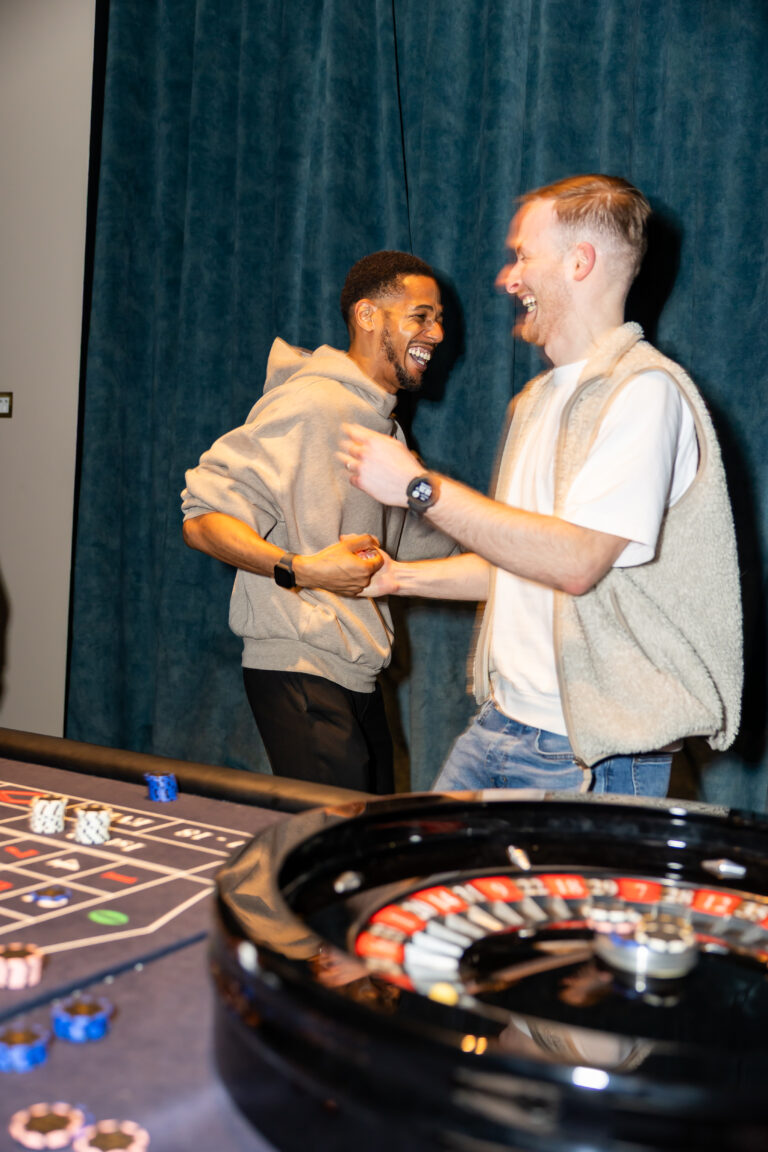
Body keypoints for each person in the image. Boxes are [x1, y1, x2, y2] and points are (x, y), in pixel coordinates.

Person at [339, 175, 742, 798]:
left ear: (580, 262)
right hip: (502, 724)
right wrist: (398, 578)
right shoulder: (534, 400)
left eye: (524, 255)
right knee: (420, 859)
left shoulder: (645, 394)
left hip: (591, 755)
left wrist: (421, 489)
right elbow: (521, 562)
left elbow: (576, 562)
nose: (509, 278)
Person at [181, 250, 455, 794]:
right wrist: (301, 569)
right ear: (367, 315)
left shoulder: (387, 430)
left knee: (372, 833)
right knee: (337, 839)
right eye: (421, 316)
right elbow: (202, 519)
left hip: (356, 672)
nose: (438, 333)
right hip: (300, 666)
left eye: (439, 319)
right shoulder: (312, 403)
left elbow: (429, 547)